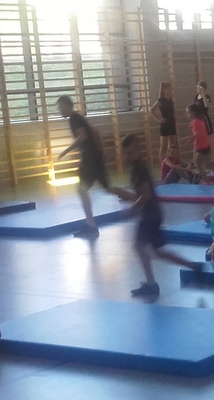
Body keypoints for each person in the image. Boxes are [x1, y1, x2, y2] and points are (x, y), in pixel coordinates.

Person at [108, 135, 201, 298]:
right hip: (152, 214)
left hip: (150, 215)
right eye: (125, 153)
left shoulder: (139, 169)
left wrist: (132, 209)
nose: (126, 157)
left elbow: (146, 195)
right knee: (157, 251)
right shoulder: (137, 168)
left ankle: (152, 284)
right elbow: (141, 195)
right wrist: (124, 195)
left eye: (129, 153)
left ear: (137, 151)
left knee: (139, 246)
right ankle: (192, 265)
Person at [56, 95, 109, 239]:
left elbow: (82, 136)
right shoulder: (78, 117)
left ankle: (91, 226)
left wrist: (65, 151)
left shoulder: (74, 118)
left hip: (90, 157)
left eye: (61, 107)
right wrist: (102, 149)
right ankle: (140, 200)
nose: (60, 110)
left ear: (67, 106)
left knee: (82, 189)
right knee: (108, 188)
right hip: (94, 156)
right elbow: (95, 131)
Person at [150, 82, 178, 163]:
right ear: (163, 90)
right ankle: (163, 163)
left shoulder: (170, 99)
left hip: (172, 123)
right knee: (164, 146)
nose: (170, 91)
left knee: (173, 145)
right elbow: (151, 110)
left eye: (170, 89)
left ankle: (172, 161)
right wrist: (159, 120)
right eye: (168, 89)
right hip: (165, 124)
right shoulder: (160, 101)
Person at [187, 103, 211, 183]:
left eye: (188, 113)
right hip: (205, 145)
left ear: (194, 113)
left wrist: (190, 138)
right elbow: (201, 133)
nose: (187, 115)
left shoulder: (196, 122)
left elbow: (198, 134)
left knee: (198, 164)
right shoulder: (200, 121)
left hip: (201, 146)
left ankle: (207, 181)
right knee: (207, 164)